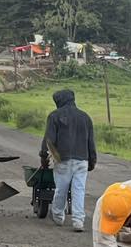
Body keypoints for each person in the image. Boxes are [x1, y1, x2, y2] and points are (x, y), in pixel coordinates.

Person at [40, 88, 96, 231]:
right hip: (82, 160)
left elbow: (49, 140)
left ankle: (58, 216)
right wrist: (92, 161)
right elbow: (91, 142)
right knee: (79, 190)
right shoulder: (85, 117)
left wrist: (44, 157)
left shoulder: (54, 116)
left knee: (61, 189)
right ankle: (78, 221)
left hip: (63, 159)